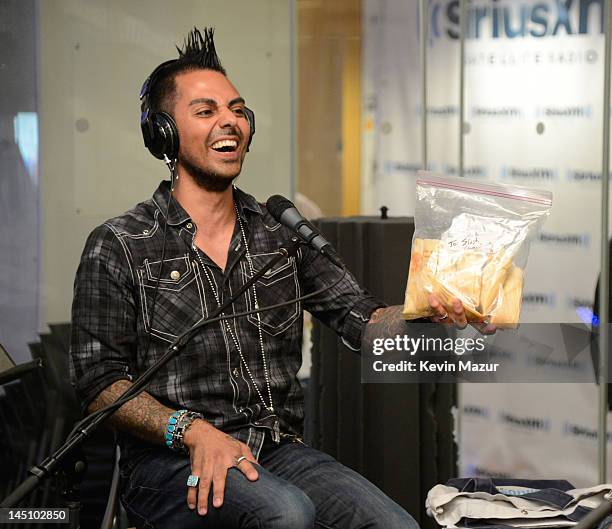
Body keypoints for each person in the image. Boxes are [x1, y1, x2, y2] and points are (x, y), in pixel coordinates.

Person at [69, 27, 466, 529]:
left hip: (274, 451)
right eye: (206, 111)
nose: (229, 121)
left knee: (395, 525)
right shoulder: (121, 243)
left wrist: (425, 305)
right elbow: (99, 382)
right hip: (168, 462)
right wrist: (190, 431)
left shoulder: (281, 234)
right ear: (164, 134)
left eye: (237, 109)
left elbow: (364, 325)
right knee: (285, 514)